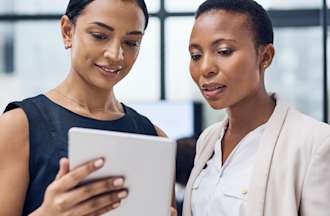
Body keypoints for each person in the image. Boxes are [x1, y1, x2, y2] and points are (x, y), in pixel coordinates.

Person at [0, 0, 176, 215]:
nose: (116, 54)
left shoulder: (154, 138)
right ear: (67, 31)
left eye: (131, 42)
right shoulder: (18, 126)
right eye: (100, 36)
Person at [183, 0, 330, 216]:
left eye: (223, 51)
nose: (205, 68)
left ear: (265, 56)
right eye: (196, 55)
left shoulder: (315, 142)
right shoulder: (208, 140)